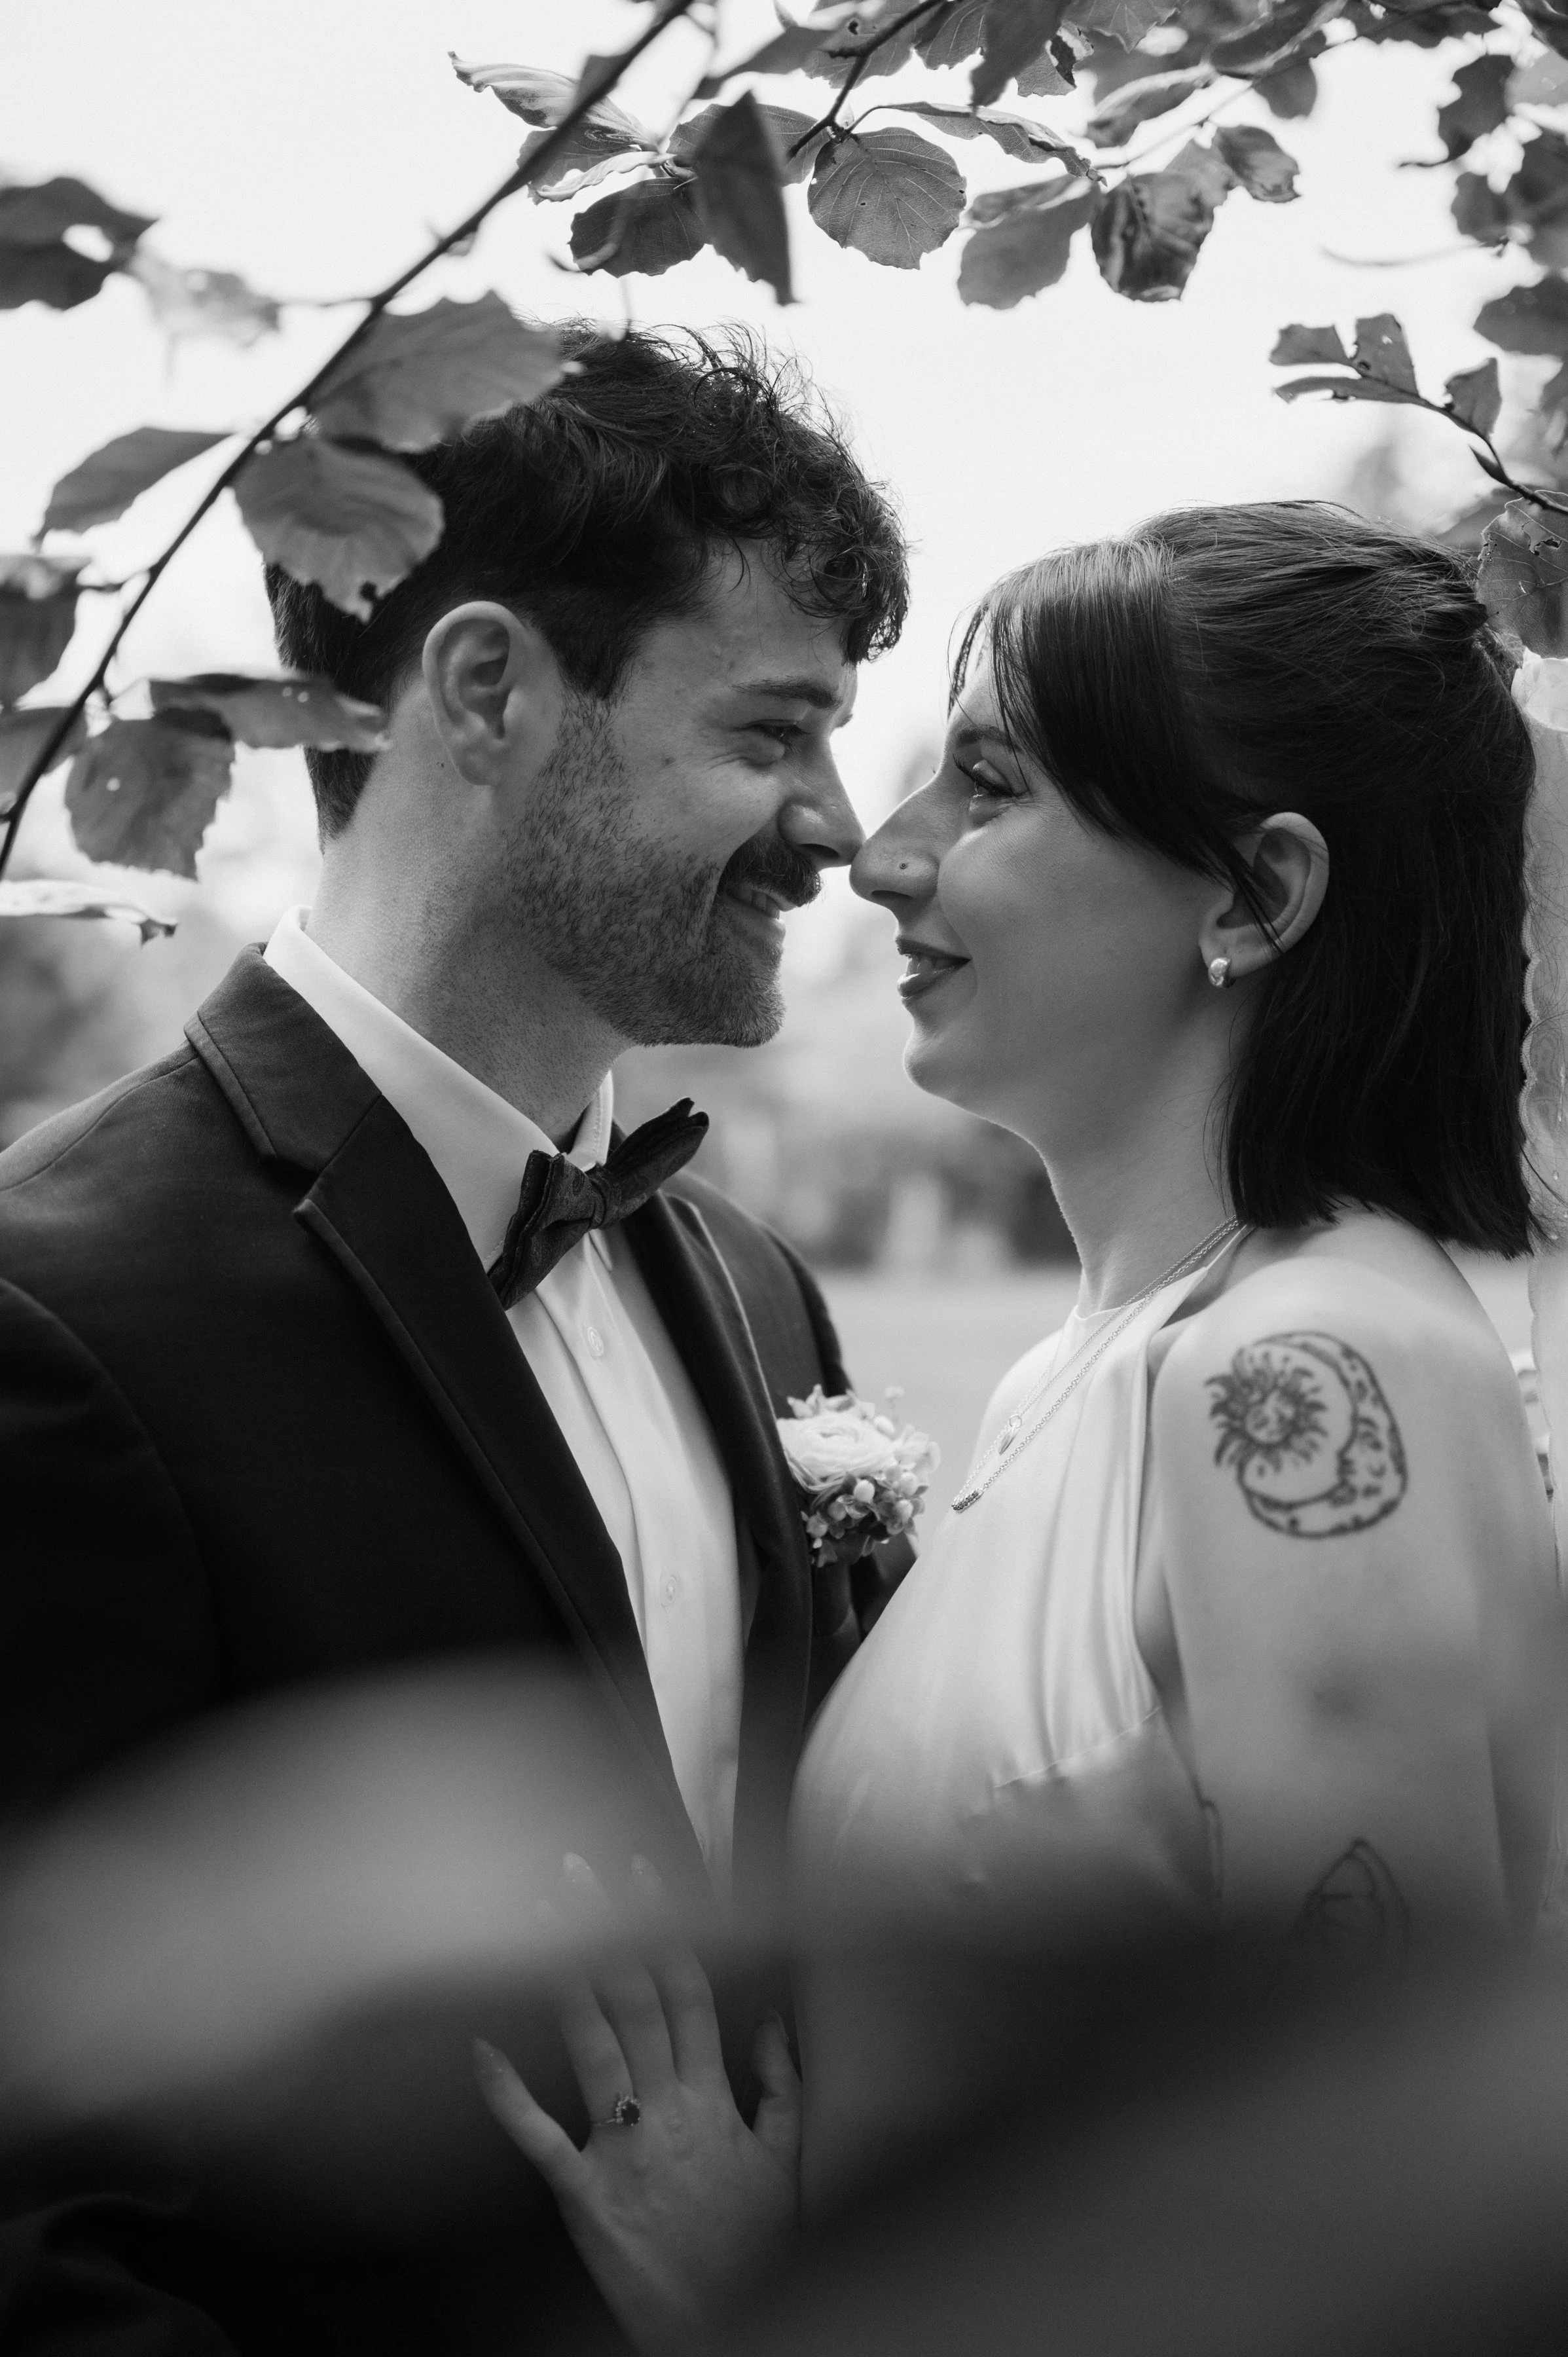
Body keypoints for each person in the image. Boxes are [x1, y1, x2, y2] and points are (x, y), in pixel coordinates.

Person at [477, 502, 1563, 2349]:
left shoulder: (1301, 1380)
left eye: (986, 789)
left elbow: (1376, 2223)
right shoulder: (1096, 1371)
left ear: (1253, 897)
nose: (877, 859)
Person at [0, 326, 907, 2353]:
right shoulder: (49, 1318)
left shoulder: (760, 1294)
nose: (839, 825)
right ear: (487, 690)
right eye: (773, 732)